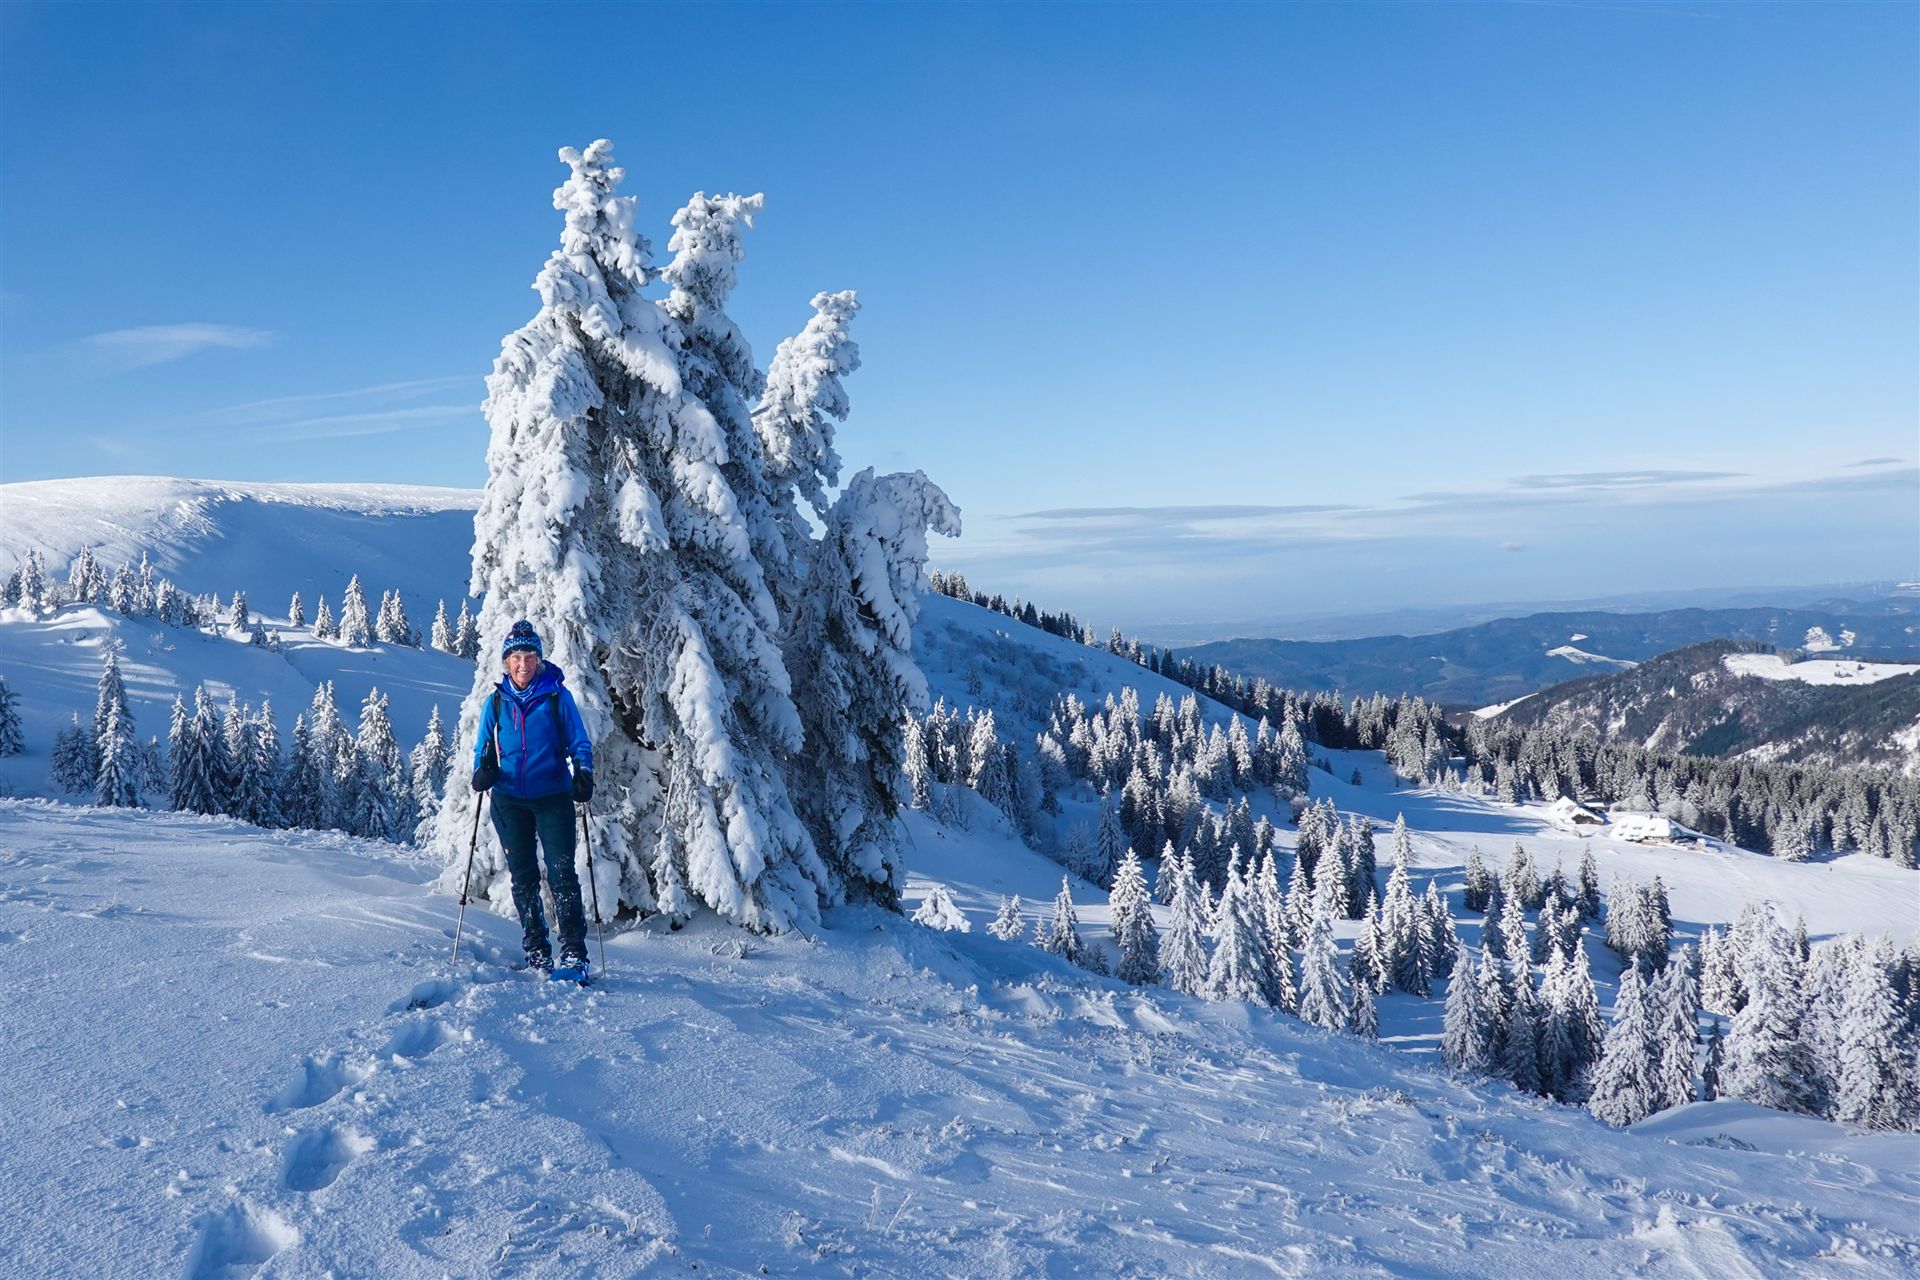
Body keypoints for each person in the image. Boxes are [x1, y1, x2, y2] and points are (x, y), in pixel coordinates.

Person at [470, 620, 596, 980]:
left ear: (538, 659)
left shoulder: (557, 697)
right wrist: (483, 770)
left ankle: (574, 953)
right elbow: (482, 747)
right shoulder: (495, 701)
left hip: (553, 796)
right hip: (509, 800)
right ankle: (537, 951)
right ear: (506, 662)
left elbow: (579, 741)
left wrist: (583, 773)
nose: (523, 663)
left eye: (529, 655)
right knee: (523, 878)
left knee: (561, 875)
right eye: (516, 656)